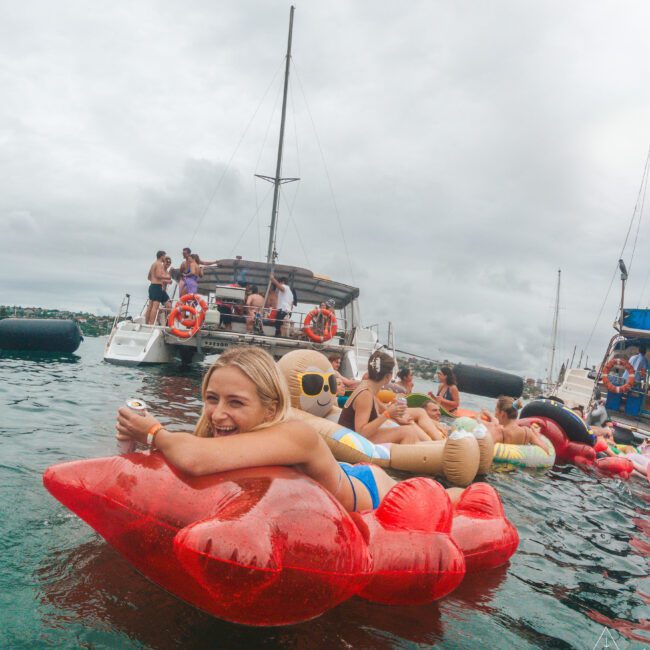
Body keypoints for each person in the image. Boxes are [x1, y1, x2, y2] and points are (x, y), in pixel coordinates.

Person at [115, 346, 396, 512]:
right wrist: (134, 445)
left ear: (271, 409)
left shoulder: (297, 436)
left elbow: (194, 460)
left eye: (236, 402)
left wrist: (151, 432)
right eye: (212, 399)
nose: (218, 414)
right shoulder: (216, 438)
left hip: (370, 487)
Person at [338, 351, 444, 444]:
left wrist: (396, 415)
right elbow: (361, 432)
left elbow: (378, 407)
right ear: (388, 377)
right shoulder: (365, 395)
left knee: (418, 412)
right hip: (355, 438)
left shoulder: (368, 386)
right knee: (408, 432)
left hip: (360, 432)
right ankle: (432, 447)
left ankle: (436, 443)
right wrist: (388, 414)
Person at [481, 396, 547, 451]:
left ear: (503, 414)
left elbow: (484, 448)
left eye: (496, 410)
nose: (494, 413)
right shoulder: (527, 432)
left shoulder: (501, 433)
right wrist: (537, 435)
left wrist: (479, 419)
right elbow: (545, 449)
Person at [146, 250, 171, 325]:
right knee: (155, 307)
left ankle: (147, 323)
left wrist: (154, 281)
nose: (165, 258)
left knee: (150, 306)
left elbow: (149, 277)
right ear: (162, 256)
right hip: (157, 287)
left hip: (152, 286)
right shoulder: (159, 264)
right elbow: (158, 275)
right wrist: (167, 277)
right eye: (164, 256)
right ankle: (151, 324)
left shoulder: (153, 264)